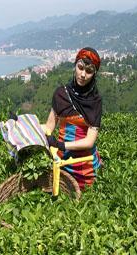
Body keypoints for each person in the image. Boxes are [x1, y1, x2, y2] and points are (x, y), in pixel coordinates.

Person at [44, 47, 102, 190]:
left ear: (94, 74)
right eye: (80, 68)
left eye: (88, 71)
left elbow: (89, 141)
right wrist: (23, 124)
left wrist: (61, 145)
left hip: (86, 167)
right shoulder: (60, 94)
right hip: (61, 162)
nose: (83, 74)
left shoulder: (95, 101)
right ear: (75, 65)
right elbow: (49, 127)